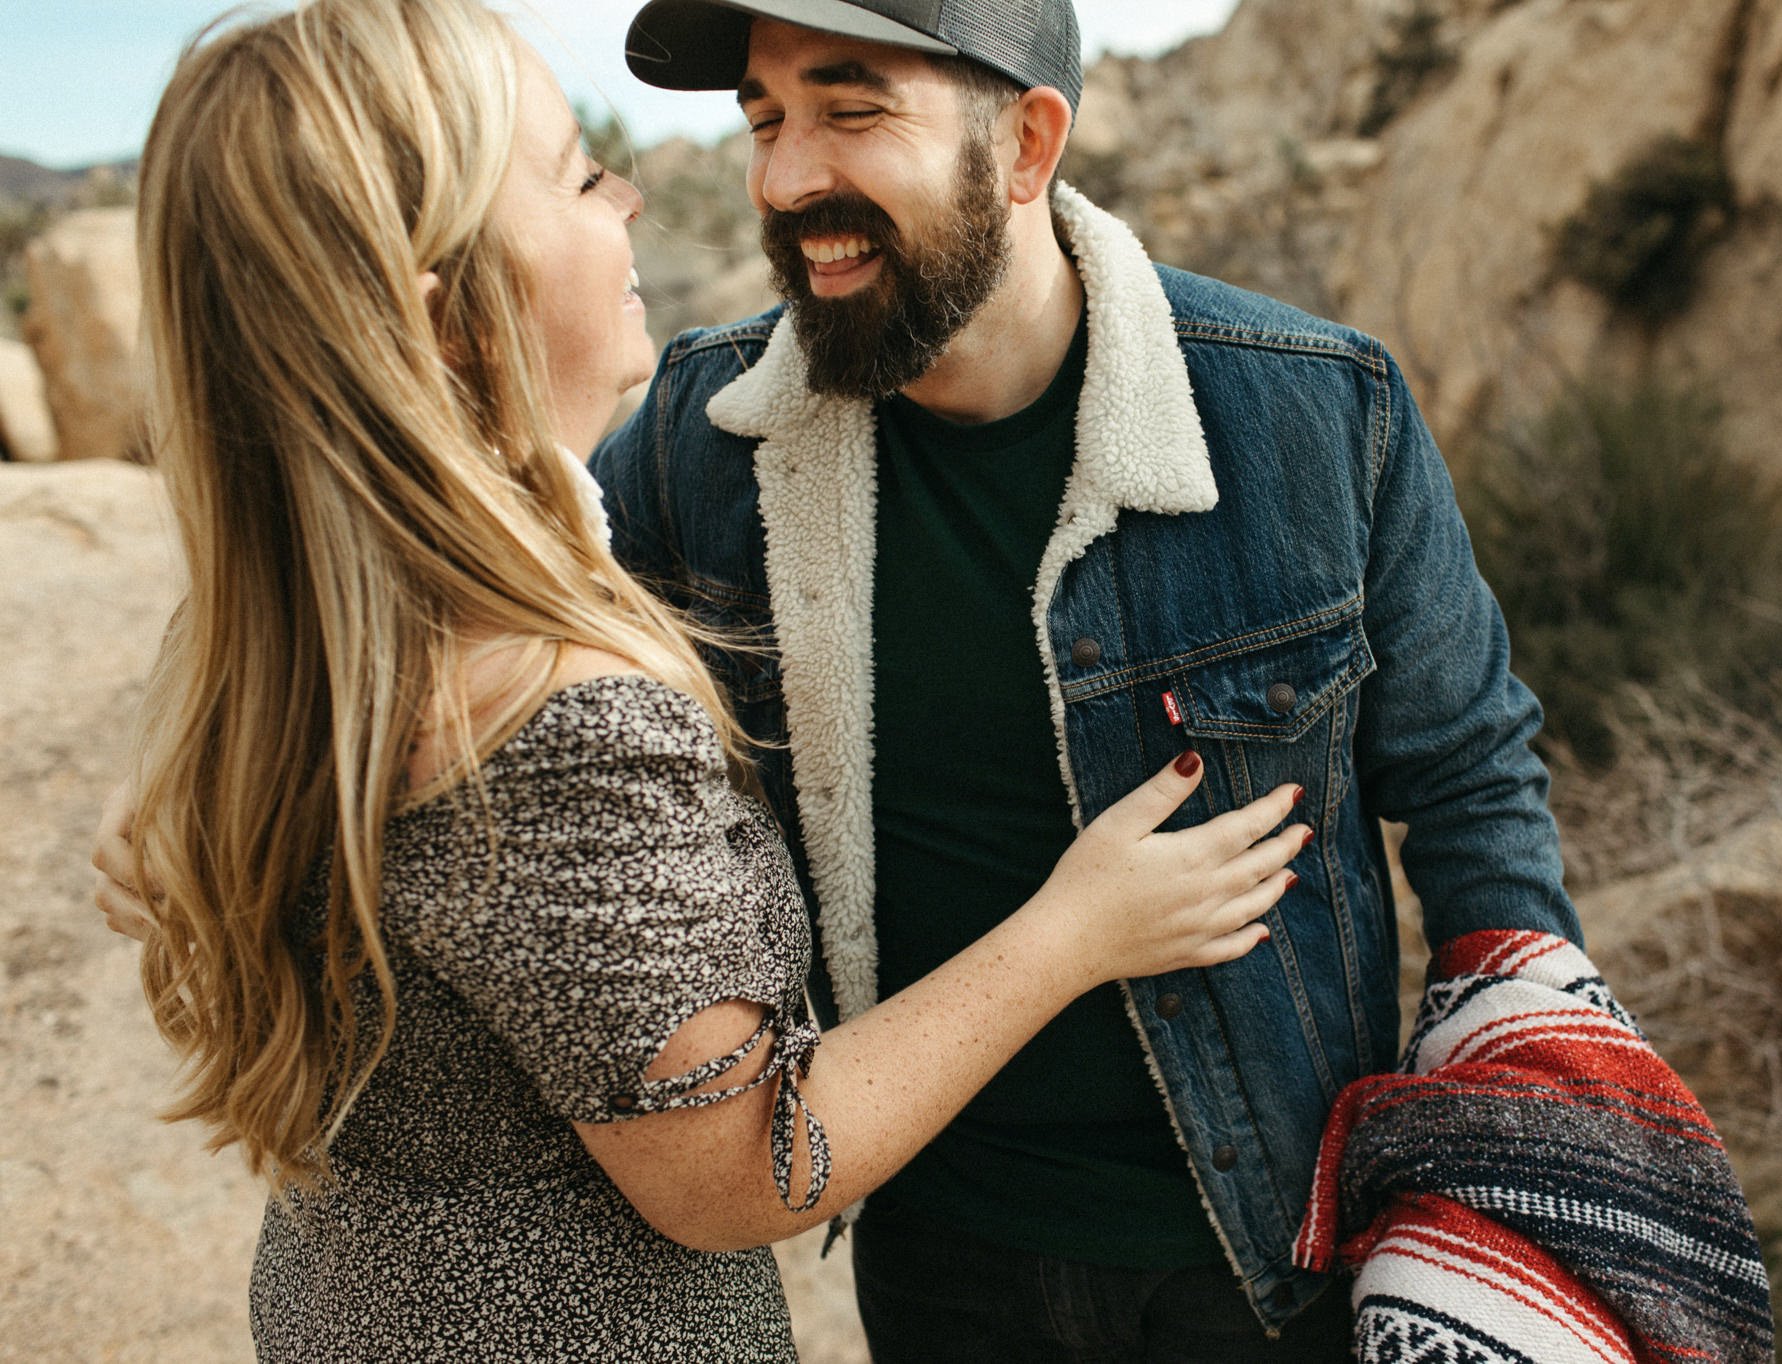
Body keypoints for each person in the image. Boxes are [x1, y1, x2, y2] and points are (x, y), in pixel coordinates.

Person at [89, 0, 1310, 1357]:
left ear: (1029, 144)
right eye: (574, 172)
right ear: (448, 320)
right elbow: (747, 1169)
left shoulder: (303, 640)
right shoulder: (561, 723)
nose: (635, 192)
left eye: (849, 110)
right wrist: (1077, 928)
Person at [588, 0, 1588, 1357]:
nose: (782, 176)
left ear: (1026, 144)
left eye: (851, 106)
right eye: (765, 120)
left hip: (1276, 1261)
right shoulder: (693, 453)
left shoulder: (1318, 416)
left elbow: (1473, 787)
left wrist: (1524, 1150)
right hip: (942, 1257)